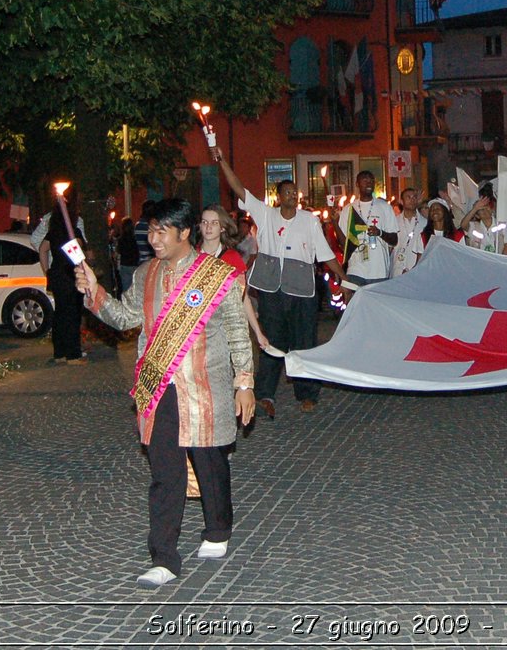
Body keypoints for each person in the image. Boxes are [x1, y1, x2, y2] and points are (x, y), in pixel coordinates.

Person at [74, 199, 255, 588]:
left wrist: (245, 383)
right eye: (150, 230)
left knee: (209, 461)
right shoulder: (145, 275)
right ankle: (164, 556)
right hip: (159, 387)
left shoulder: (216, 275)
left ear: (184, 232)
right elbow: (126, 319)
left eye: (160, 231)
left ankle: (218, 529)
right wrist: (95, 293)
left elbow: (238, 331)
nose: (152, 238)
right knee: (164, 471)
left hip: (205, 385)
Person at [212, 148, 344, 415]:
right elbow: (239, 189)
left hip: (302, 291)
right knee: (271, 341)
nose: (293, 196)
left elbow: (326, 253)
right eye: (288, 192)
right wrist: (222, 160)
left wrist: (344, 279)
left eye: (296, 193)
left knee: (304, 341)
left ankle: (307, 393)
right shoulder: (265, 215)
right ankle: (265, 394)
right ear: (278, 196)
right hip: (272, 290)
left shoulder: (309, 220)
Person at [200, 204, 275, 356]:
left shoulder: (231, 258)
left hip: (222, 328)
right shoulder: (192, 256)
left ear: (222, 228)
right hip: (197, 329)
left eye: (214, 223)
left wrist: (258, 332)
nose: (208, 227)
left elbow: (243, 297)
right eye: (204, 222)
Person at [38, 185, 88, 365]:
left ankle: (59, 353)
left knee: (60, 313)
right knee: (72, 314)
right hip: (71, 275)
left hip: (57, 274)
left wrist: (47, 271)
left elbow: (42, 249)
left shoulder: (54, 232)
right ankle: (73, 354)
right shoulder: (73, 232)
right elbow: (79, 254)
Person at [338, 170, 399, 296]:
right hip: (356, 269)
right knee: (355, 308)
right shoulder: (348, 209)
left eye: (371, 180)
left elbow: (394, 240)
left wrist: (380, 233)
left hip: (379, 270)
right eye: (364, 180)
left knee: (376, 311)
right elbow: (343, 244)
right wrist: (334, 223)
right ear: (357, 184)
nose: (368, 182)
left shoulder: (384, 207)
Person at [458, 184, 507, 255]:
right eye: (481, 209)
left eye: (486, 207)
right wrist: (475, 208)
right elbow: (463, 225)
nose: (485, 210)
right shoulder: (475, 227)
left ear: (491, 209)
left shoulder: (502, 224)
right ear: (477, 215)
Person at [390, 188, 425, 277]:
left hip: (417, 269)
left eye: (414, 197)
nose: (412, 200)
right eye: (408, 197)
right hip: (397, 267)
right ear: (402, 201)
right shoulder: (394, 221)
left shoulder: (425, 223)